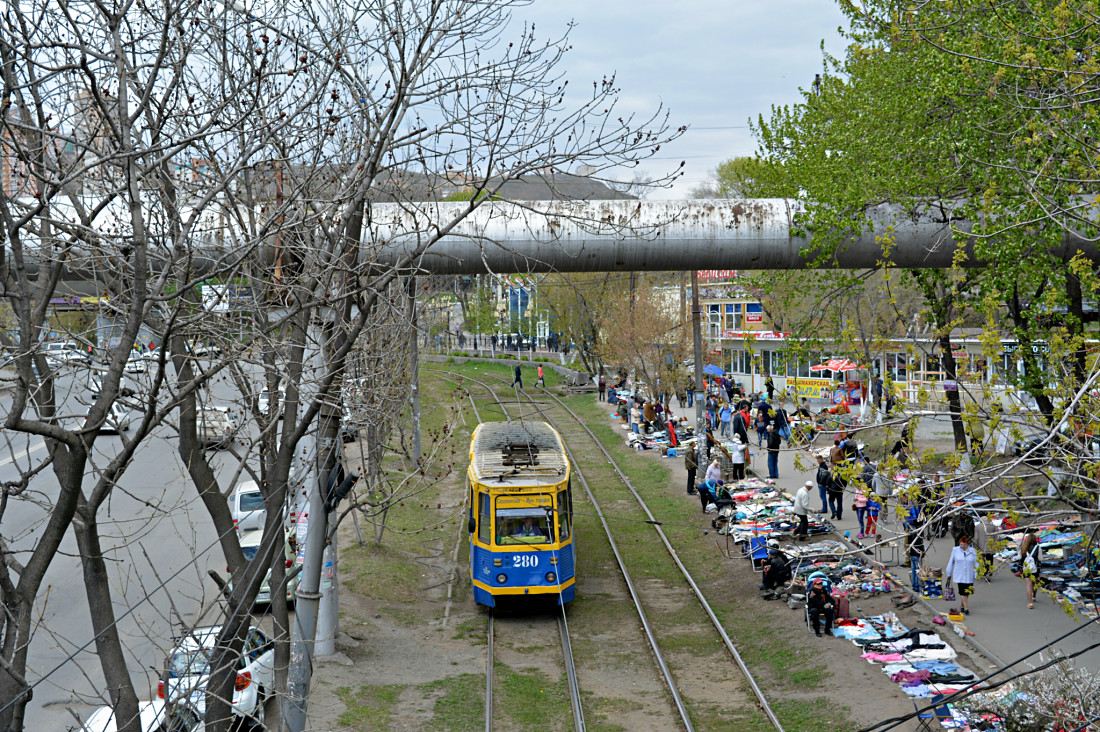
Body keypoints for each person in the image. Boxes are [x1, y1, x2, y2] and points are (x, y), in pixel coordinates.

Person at [945, 533, 978, 615]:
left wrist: (977, 574)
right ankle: (966, 608)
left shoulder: (973, 551)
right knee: (962, 591)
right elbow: (951, 561)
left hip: (969, 574)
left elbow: (976, 563)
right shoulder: (955, 550)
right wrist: (948, 572)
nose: (962, 546)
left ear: (967, 544)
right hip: (960, 574)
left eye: (964, 544)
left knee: (967, 592)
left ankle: (962, 606)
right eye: (961, 544)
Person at [1018, 529, 1041, 609]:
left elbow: (1019, 558)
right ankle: (1034, 596)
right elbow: (1040, 558)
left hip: (1026, 568)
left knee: (1028, 584)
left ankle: (1030, 603)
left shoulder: (1023, 547)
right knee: (1035, 582)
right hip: (1035, 568)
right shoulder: (1038, 547)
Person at [908, 527, 926, 591]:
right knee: (917, 570)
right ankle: (917, 586)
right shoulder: (919, 532)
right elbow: (920, 544)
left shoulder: (910, 531)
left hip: (912, 553)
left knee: (913, 570)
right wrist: (923, 553)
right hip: (917, 554)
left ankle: (913, 585)